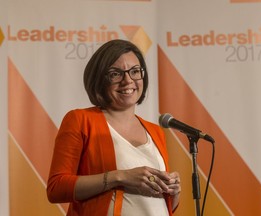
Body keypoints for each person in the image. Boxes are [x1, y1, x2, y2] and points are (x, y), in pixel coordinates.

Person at [46, 39, 181, 216]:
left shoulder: (155, 131)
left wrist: (173, 190)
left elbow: (162, 205)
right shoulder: (80, 120)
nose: (128, 80)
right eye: (115, 74)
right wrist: (120, 177)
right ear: (99, 79)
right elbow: (56, 188)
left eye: (134, 71)